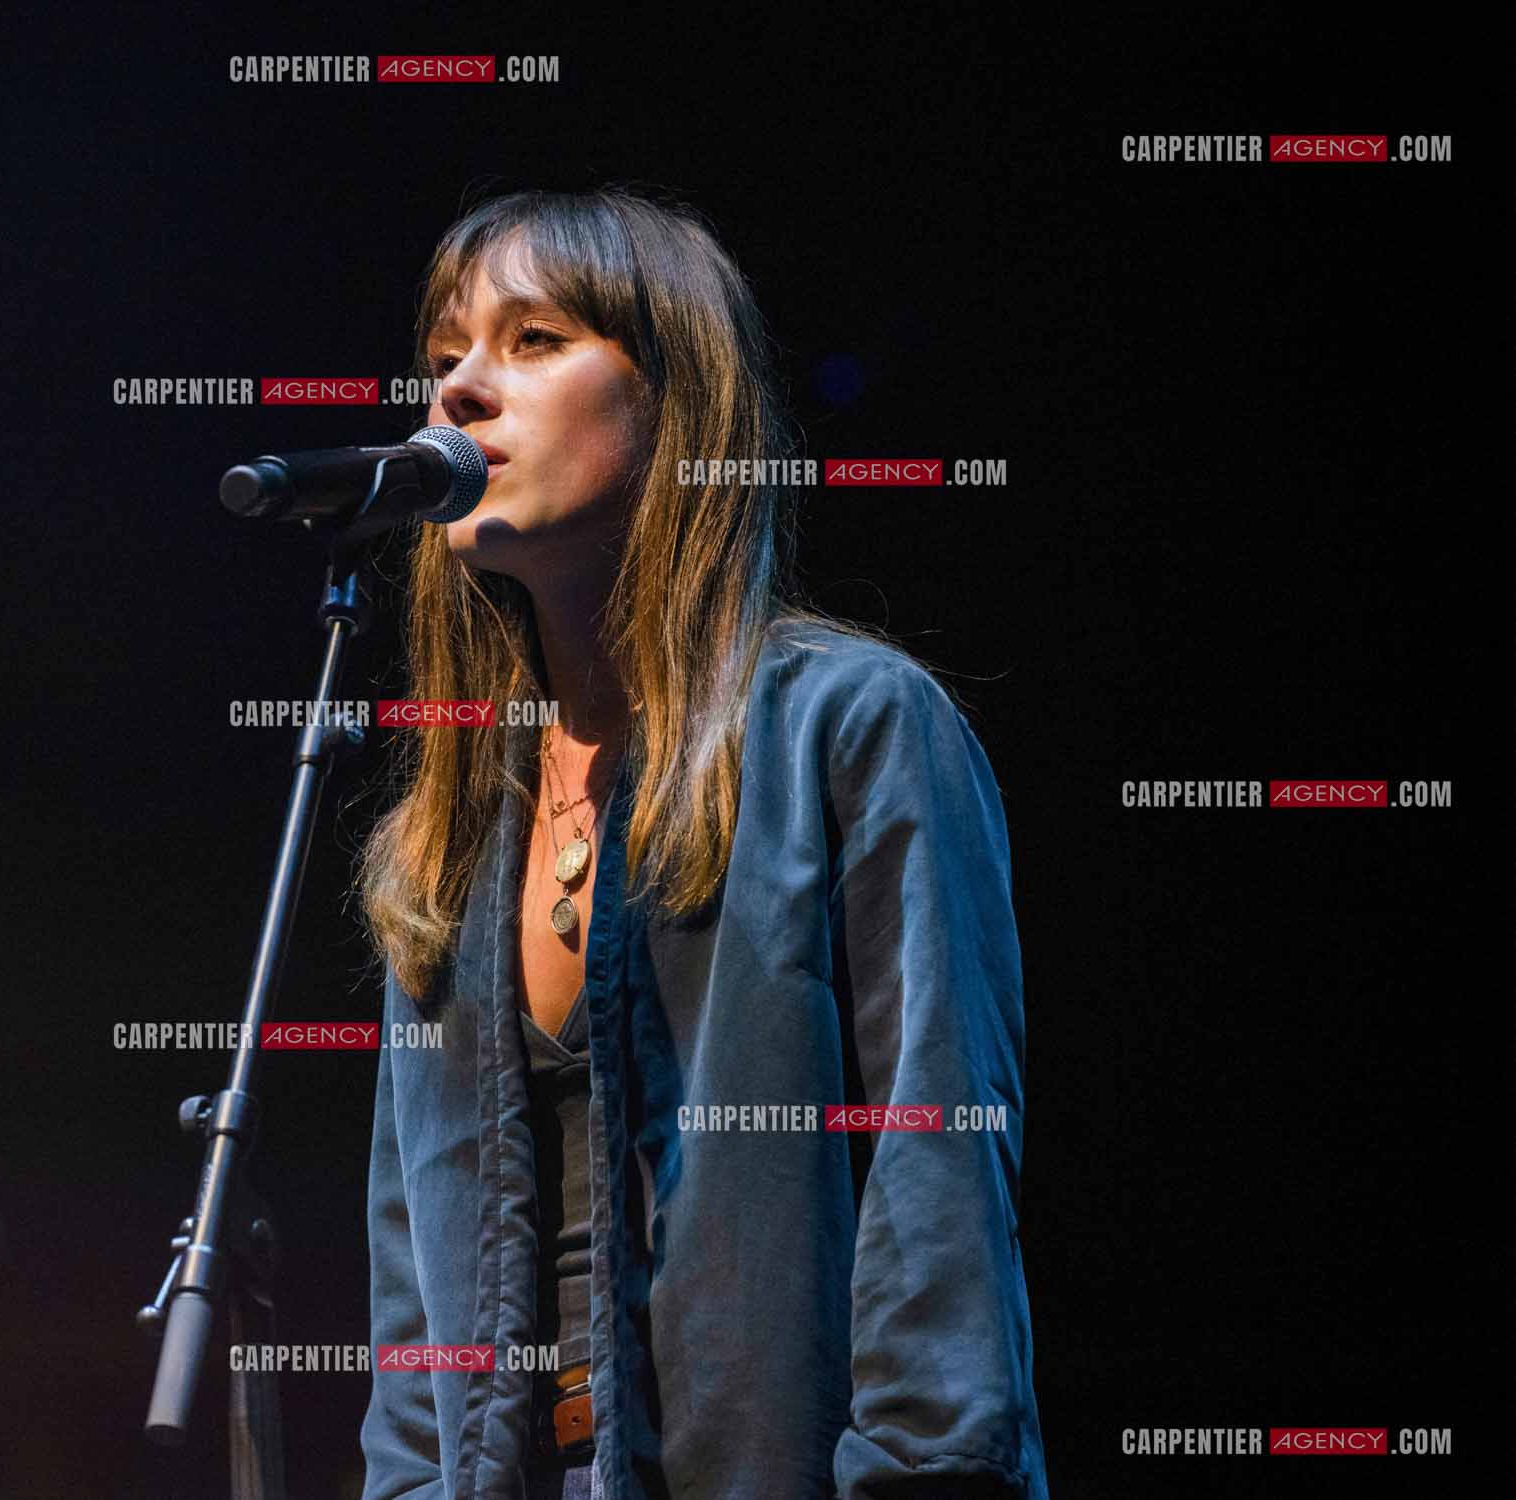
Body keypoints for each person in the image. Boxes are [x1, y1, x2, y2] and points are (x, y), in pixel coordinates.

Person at [354, 187, 1048, 1499]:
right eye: (441, 356)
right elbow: (411, 1310)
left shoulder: (850, 727)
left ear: (673, 394)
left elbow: (932, 1187)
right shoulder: (443, 834)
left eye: (534, 339)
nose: (459, 391)